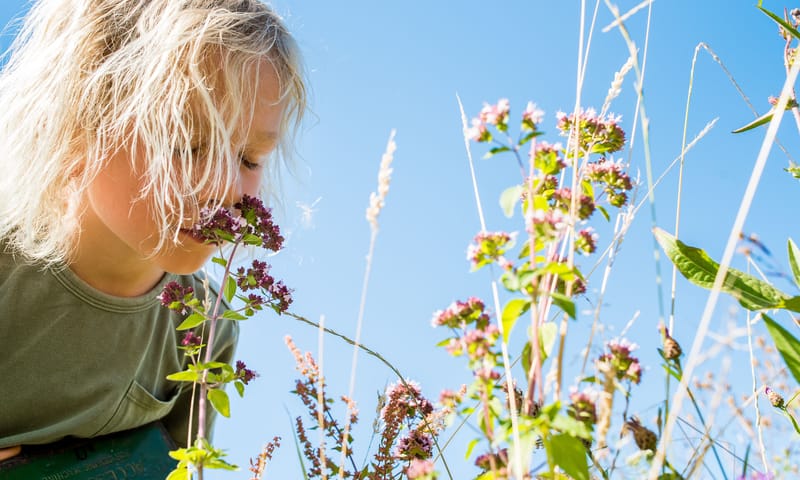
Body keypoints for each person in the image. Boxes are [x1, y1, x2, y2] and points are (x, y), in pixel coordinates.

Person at [0, 0, 306, 462]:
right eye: (186, 143)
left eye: (249, 159)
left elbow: (182, 466)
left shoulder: (206, 327)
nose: (223, 187)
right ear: (80, 115)